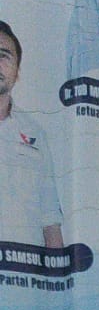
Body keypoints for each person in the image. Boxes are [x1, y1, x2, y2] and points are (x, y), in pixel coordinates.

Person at [0, 20, 64, 249]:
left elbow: (50, 221)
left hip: (25, 276)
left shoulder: (34, 133)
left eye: (4, 55)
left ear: (17, 71)